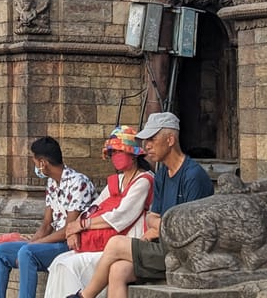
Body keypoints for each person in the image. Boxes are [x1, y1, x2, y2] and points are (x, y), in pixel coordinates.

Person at [73, 112, 213, 298]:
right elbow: (152, 217)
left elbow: (187, 231)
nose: (147, 146)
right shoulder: (162, 173)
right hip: (163, 244)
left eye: (152, 139)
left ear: (170, 140)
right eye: (146, 140)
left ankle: (84, 296)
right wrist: (162, 226)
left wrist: (158, 227)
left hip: (183, 253)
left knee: (116, 244)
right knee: (118, 270)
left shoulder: (193, 176)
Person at [45, 125, 155, 298]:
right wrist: (73, 230)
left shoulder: (144, 180)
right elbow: (93, 208)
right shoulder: (117, 180)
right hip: (102, 240)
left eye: (119, 152)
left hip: (126, 243)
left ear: (133, 154)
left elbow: (121, 216)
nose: (115, 156)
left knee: (70, 265)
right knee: (58, 262)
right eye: (113, 153)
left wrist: (82, 225)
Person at [0, 137, 96, 298]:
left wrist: (33, 245)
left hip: (72, 244)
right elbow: (46, 225)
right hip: (53, 242)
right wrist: (32, 242)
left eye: (35, 162)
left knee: (27, 253)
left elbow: (68, 229)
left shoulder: (79, 183)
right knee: (0, 252)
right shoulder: (51, 183)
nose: (36, 167)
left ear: (43, 163)